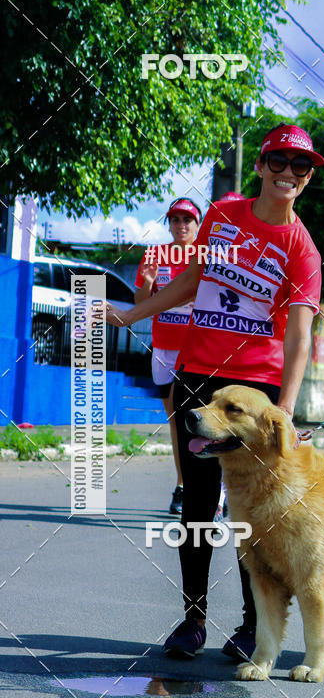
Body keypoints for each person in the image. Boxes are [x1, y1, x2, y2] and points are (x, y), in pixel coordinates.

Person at [104, 123, 324, 661]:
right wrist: (132, 313)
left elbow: (299, 336)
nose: (289, 174)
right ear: (260, 166)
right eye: (279, 162)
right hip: (197, 376)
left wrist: (286, 410)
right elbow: (192, 281)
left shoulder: (302, 249)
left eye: (301, 166)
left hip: (253, 391)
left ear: (309, 176)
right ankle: (193, 621)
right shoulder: (223, 215)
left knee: (252, 510)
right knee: (198, 506)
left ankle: (254, 626)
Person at [134, 197, 201, 514]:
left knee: (194, 421)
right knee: (177, 422)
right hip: (163, 349)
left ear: (198, 223)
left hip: (196, 351)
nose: (181, 225)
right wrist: (147, 284)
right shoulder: (154, 254)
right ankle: (182, 485)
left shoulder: (205, 255)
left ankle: (209, 490)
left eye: (187, 219)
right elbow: (140, 303)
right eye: (175, 219)